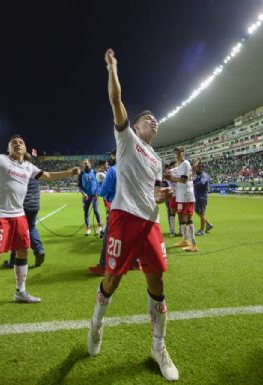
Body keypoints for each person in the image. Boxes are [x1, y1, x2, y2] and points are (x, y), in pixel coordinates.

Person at [87, 48, 178, 381]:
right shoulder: (126, 139)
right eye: (148, 118)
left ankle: (158, 346)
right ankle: (96, 326)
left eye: (156, 120)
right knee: (113, 280)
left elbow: (151, 191)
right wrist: (112, 69)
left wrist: (162, 195)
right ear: (136, 125)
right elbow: (116, 102)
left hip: (150, 222)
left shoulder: (157, 159)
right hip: (124, 219)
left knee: (157, 282)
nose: (153, 121)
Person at [0, 135, 79, 310]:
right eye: (14, 143)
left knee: (23, 251)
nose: (18, 144)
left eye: (21, 142)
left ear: (25, 148)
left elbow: (49, 175)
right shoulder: (2, 160)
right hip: (0, 216)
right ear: (8, 149)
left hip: (19, 215)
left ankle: (20, 291)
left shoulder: (29, 167)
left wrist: (69, 173)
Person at [3, 153, 47, 268]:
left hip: (22, 206)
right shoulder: (35, 172)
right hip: (34, 206)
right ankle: (39, 250)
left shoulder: (22, 172)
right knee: (31, 228)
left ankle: (13, 260)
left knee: (15, 231)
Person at [89, 151, 118, 275]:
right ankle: (136, 262)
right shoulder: (132, 167)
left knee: (108, 236)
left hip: (117, 207)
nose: (110, 159)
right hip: (132, 208)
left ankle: (104, 266)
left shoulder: (113, 170)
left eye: (112, 156)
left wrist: (99, 187)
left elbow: (102, 192)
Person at [164, 148, 197, 252]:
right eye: (176, 153)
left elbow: (183, 180)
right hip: (181, 196)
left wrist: (170, 178)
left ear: (184, 154)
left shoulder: (186, 164)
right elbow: (173, 173)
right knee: (182, 218)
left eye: (180, 153)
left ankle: (194, 245)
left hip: (186, 195)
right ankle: (185, 240)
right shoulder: (180, 166)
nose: (178, 155)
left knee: (188, 219)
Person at [79, 159, 102, 236]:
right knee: (86, 212)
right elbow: (80, 186)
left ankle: (99, 226)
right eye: (84, 163)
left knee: (95, 211)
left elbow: (98, 184)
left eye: (87, 163)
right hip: (86, 196)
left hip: (94, 195)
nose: (85, 164)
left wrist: (96, 193)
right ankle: (88, 229)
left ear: (90, 164)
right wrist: (83, 193)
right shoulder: (81, 174)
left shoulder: (95, 172)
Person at [192, 160, 214, 236]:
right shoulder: (198, 176)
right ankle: (208, 224)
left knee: (201, 213)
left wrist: (192, 184)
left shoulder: (204, 175)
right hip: (197, 197)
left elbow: (202, 183)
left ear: (201, 168)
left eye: (197, 168)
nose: (195, 170)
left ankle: (202, 230)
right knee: (198, 212)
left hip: (201, 197)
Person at [164, 161, 179, 237]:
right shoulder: (168, 174)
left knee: (180, 214)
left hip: (179, 196)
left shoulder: (178, 173)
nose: (175, 168)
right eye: (173, 166)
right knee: (171, 213)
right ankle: (172, 231)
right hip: (172, 196)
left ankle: (180, 230)